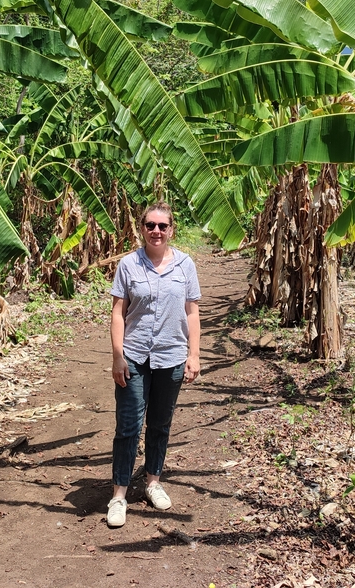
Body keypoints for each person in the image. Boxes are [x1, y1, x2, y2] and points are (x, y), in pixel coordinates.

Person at [106, 201, 201, 528]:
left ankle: (152, 482)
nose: (156, 231)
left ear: (171, 229)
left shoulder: (185, 265)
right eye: (150, 225)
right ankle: (119, 495)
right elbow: (118, 313)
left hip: (171, 356)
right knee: (128, 425)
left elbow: (192, 313)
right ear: (142, 228)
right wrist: (117, 355)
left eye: (162, 226)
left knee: (160, 424)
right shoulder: (129, 265)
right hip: (134, 356)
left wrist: (193, 354)